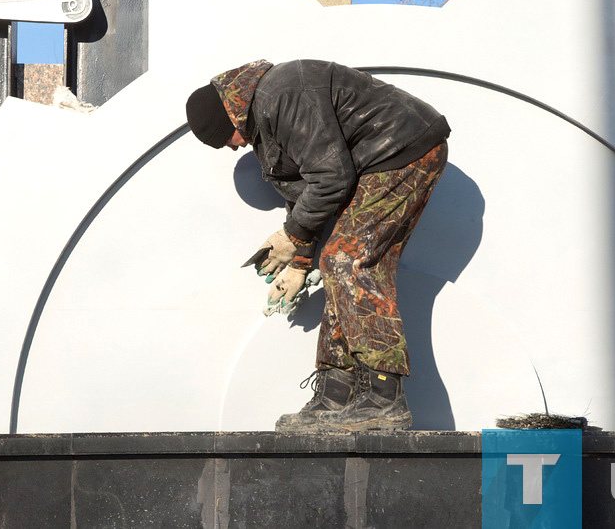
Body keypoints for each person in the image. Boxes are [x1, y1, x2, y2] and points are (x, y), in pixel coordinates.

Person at [185, 59, 449, 431]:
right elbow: (307, 191)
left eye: (224, 140)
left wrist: (292, 237)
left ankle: (383, 396)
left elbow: (330, 178)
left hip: (402, 150)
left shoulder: (282, 94)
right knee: (335, 266)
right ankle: (336, 392)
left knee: (349, 262)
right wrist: (300, 261)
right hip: (371, 165)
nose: (232, 148)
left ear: (230, 117)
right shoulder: (262, 122)